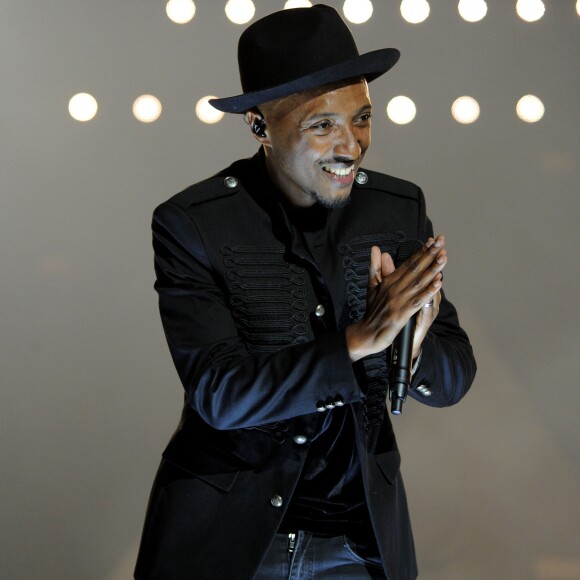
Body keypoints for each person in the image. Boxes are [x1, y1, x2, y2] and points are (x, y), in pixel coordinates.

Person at [134, 5, 476, 579]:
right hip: (230, 544)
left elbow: (455, 375)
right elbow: (220, 394)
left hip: (358, 548)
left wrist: (413, 346)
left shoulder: (396, 208)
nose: (351, 145)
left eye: (362, 118)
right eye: (322, 125)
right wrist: (362, 339)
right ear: (261, 126)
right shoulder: (195, 223)